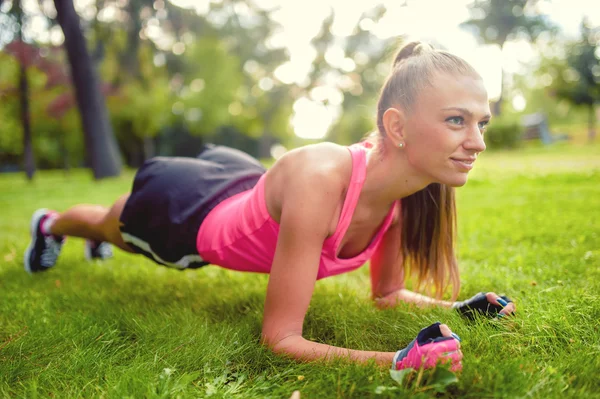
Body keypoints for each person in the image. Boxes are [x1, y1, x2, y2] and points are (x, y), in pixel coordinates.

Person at [24, 41, 515, 372]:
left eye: (482, 123)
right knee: (113, 227)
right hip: (193, 215)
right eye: (457, 121)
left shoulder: (405, 199)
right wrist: (395, 359)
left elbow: (386, 294)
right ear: (398, 127)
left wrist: (460, 309)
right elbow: (281, 338)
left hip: (248, 190)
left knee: (112, 228)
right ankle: (49, 225)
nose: (477, 142)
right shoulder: (321, 180)